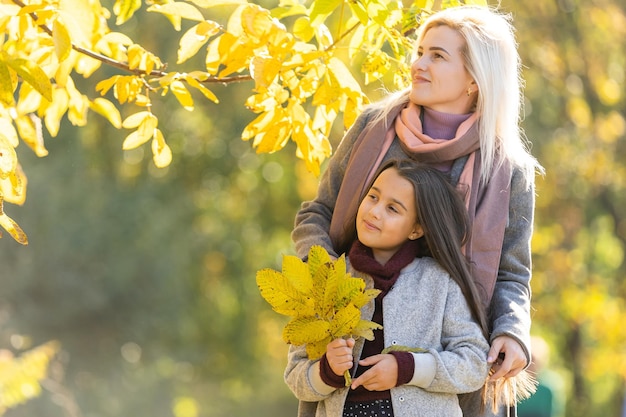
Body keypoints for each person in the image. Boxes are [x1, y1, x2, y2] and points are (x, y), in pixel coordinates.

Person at [291, 5, 543, 417]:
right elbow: (317, 213)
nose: (418, 64)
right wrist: (326, 284)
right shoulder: (374, 127)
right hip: (350, 350)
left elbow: (512, 273)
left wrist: (512, 333)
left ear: (475, 80)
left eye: (437, 56)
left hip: (448, 365)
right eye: (420, 51)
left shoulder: (507, 168)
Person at [285, 160, 492, 417]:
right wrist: (326, 371)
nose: (374, 211)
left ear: (416, 229)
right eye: (373, 197)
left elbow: (474, 364)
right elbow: (295, 376)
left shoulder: (439, 282)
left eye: (392, 208)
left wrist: (407, 368)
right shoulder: (331, 279)